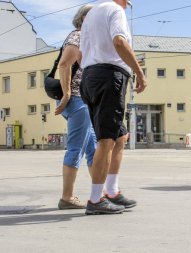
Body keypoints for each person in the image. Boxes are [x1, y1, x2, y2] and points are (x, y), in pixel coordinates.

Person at [80, 0, 147, 214]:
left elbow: (83, 53)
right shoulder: (115, 10)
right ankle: (95, 199)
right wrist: (139, 72)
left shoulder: (91, 14)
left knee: (120, 137)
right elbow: (119, 42)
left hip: (91, 76)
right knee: (106, 140)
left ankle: (111, 191)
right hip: (109, 76)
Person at [56, 4, 96, 210]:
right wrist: (67, 94)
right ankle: (67, 197)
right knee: (76, 148)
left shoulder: (86, 38)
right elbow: (64, 64)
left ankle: (100, 194)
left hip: (83, 100)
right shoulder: (78, 35)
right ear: (84, 18)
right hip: (77, 100)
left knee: (92, 149)